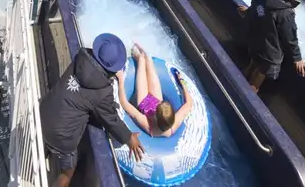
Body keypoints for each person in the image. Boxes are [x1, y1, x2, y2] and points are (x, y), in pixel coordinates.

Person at [40, 33, 145, 187]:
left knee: (51, 129)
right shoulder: (103, 91)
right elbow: (110, 119)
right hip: (60, 137)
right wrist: (129, 137)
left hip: (43, 112)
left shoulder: (80, 57)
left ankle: (45, 147)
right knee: (67, 173)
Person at [237, 0, 305, 94]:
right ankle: (247, 95)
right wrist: (297, 58)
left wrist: (248, 11)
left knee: (254, 62)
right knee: (259, 76)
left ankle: (238, 80)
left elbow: (256, 5)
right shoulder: (285, 13)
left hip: (254, 39)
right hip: (269, 51)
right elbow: (290, 36)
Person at [115, 43, 193, 137]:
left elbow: (125, 104)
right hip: (157, 99)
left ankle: (136, 52)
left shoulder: (148, 126)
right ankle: (146, 55)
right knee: (148, 60)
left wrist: (121, 79)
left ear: (155, 118)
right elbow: (189, 104)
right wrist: (182, 81)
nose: (154, 108)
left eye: (156, 109)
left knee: (141, 60)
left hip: (143, 103)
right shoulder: (173, 125)